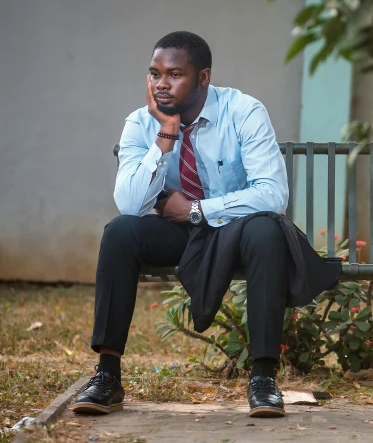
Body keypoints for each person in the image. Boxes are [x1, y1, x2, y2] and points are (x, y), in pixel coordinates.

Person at [73, 31, 338, 418]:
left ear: (203, 78)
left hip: (237, 230)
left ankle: (263, 379)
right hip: (181, 234)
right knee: (120, 232)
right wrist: (165, 135)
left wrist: (198, 210)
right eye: (154, 73)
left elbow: (271, 195)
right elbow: (131, 205)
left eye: (174, 74)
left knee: (266, 229)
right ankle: (107, 376)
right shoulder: (140, 123)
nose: (161, 84)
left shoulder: (244, 111)